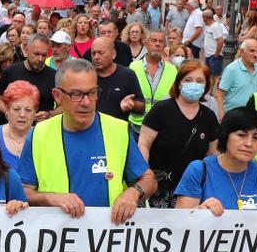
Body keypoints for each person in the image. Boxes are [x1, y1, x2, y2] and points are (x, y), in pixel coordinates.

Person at [18, 58, 157, 224]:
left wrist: (133, 193)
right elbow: (22, 191)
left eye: (92, 93)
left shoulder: (118, 130)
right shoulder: (39, 134)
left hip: (108, 240)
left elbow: (149, 180)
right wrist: (51, 198)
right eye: (76, 94)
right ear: (57, 96)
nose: (86, 102)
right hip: (58, 242)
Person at [174, 106, 257, 221]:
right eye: (241, 135)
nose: (249, 143)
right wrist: (200, 211)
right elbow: (180, 223)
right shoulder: (199, 170)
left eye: (256, 137)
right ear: (225, 135)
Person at [137, 60, 220, 207]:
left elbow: (211, 155)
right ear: (180, 83)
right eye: (188, 80)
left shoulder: (209, 117)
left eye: (199, 81)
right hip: (157, 189)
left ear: (206, 85)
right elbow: (143, 144)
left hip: (190, 192)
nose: (193, 84)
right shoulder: (161, 110)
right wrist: (144, 175)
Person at [0, 34, 58, 119]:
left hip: (42, 128)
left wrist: (49, 114)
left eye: (44, 55)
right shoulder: (10, 72)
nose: (40, 59)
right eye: (36, 54)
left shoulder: (54, 76)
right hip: (15, 127)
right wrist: (8, 112)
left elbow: (64, 105)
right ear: (27, 50)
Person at [128, 29, 176, 131]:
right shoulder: (133, 67)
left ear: (164, 46)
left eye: (161, 41)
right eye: (154, 40)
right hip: (137, 127)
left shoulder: (172, 70)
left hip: (162, 127)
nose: (157, 44)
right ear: (146, 42)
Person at [89, 37, 145, 122]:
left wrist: (132, 104)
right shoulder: (86, 76)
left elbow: (141, 107)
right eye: (93, 53)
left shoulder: (127, 75)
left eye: (100, 53)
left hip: (118, 131)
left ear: (113, 54)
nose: (96, 57)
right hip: (92, 131)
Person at [216, 38, 257, 119]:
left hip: (253, 115)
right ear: (242, 52)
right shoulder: (232, 69)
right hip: (233, 116)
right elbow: (219, 94)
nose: (256, 54)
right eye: (252, 51)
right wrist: (222, 118)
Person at [0, 80, 38, 171]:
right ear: (7, 110)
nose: (22, 115)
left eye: (28, 110)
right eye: (16, 109)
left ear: (35, 111)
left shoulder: (44, 137)